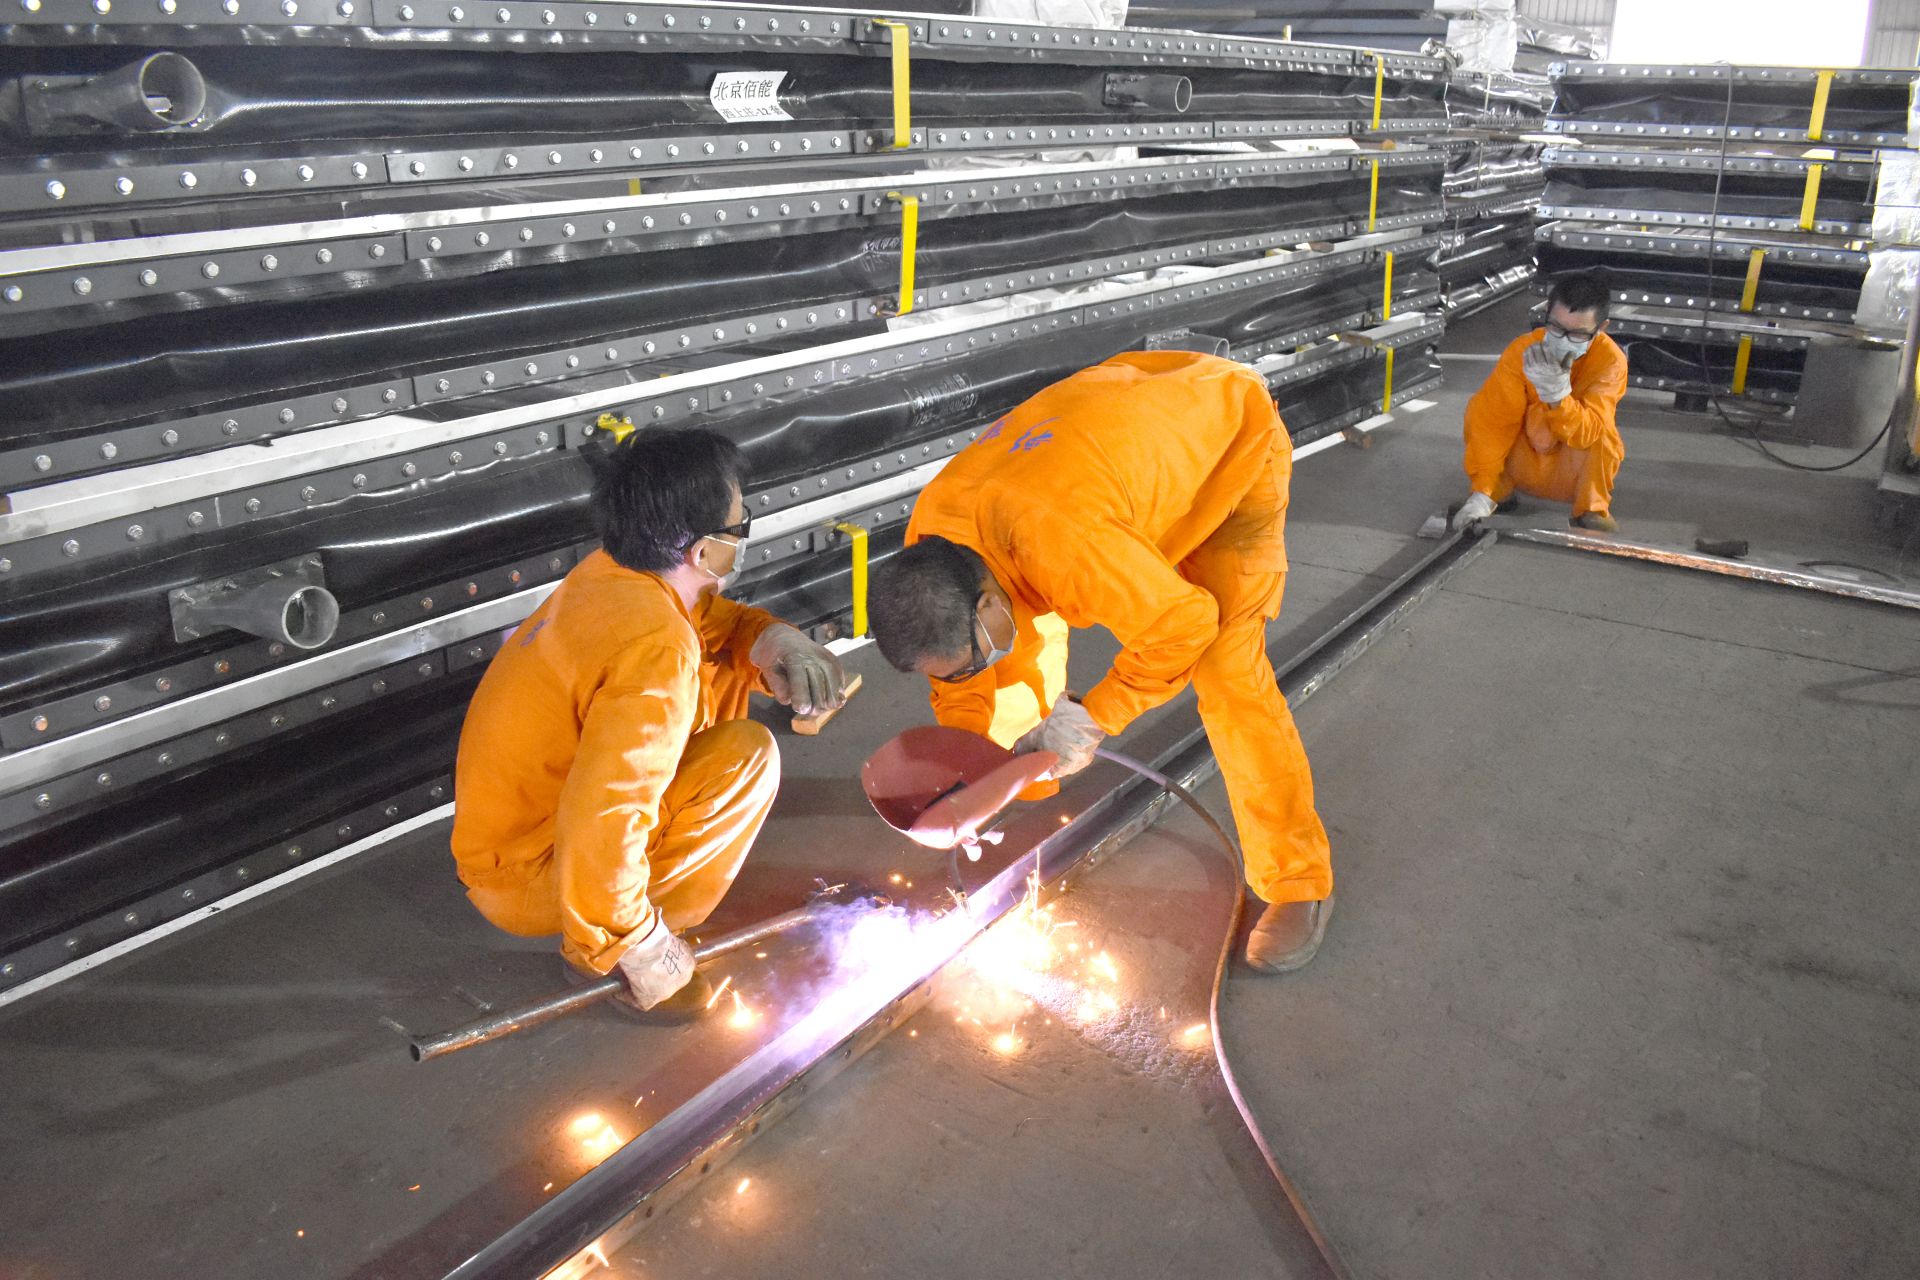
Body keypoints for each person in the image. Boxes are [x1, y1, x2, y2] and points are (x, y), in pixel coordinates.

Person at [868, 351, 1335, 973]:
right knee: (1005, 655)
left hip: (1229, 445)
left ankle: (1297, 882)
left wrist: (1094, 716)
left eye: (976, 647)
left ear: (987, 602)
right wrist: (971, 775)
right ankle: (1032, 789)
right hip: (1118, 465)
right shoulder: (935, 543)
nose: (969, 670)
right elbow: (965, 674)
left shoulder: (1064, 544)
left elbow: (1182, 624)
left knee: (1228, 676)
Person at [450, 428, 846, 1017]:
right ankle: (609, 954)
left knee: (722, 674)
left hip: (506, 844)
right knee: (747, 757)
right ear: (704, 550)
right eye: (738, 525)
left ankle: (615, 923)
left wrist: (771, 641)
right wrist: (637, 952)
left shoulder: (611, 575)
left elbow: (710, 622)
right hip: (531, 875)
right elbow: (607, 816)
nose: (742, 533)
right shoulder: (656, 649)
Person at [1454, 270, 1629, 532]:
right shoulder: (1523, 350)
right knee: (1481, 407)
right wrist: (1482, 490)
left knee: (1603, 433)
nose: (1563, 341)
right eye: (1556, 328)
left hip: (1570, 467)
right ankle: (1496, 494)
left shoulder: (1611, 362)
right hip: (1523, 462)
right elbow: (1494, 421)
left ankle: (1591, 509)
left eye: (1578, 334)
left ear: (1601, 328)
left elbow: (1588, 433)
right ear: (1547, 312)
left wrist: (1558, 398)